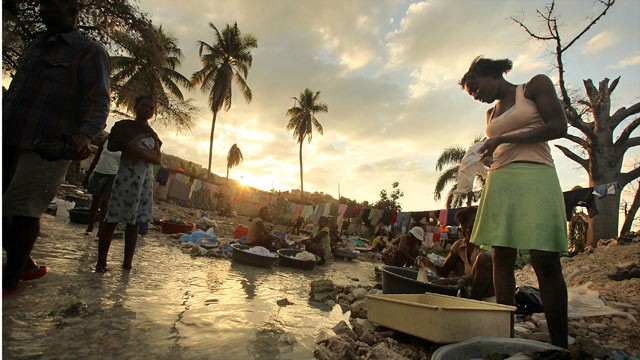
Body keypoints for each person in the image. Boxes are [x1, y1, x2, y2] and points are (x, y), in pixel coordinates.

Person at [459, 56, 568, 348]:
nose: (477, 96)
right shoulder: (490, 115)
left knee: (545, 259)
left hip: (535, 175)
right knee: (501, 256)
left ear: (491, 74)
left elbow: (559, 126)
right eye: (472, 95)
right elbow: (498, 145)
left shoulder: (533, 87)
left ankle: (560, 345)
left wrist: (506, 139)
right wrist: (489, 154)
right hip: (500, 180)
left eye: (476, 87)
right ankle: (505, 337)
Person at [2, 0, 110, 292]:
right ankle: (22, 263)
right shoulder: (35, 46)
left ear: (73, 12)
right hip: (9, 136)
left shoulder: (89, 52)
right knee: (6, 212)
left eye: (53, 5)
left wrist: (82, 138)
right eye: (43, 5)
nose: (44, 10)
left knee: (21, 210)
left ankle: (10, 286)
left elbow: (99, 102)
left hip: (46, 146)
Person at [95, 95, 162, 272]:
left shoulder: (152, 134)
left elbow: (157, 159)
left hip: (143, 183)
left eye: (151, 108)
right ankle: (101, 263)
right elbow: (113, 146)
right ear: (135, 106)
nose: (147, 110)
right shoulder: (124, 127)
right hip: (125, 179)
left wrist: (136, 150)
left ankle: (127, 265)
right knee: (112, 219)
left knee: (134, 223)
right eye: (144, 106)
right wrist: (142, 152)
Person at [417, 207, 494, 300]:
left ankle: (472, 303)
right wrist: (428, 264)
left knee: (483, 259)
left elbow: (477, 276)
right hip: (468, 291)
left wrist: (452, 281)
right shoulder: (459, 246)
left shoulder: (489, 246)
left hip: (488, 296)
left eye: (470, 228)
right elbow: (443, 271)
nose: (467, 233)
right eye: (464, 229)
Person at [82, 138, 122, 236]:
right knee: (95, 202)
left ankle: (101, 230)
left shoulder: (124, 146)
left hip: (113, 175)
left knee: (105, 203)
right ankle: (90, 226)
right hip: (99, 173)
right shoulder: (105, 142)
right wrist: (87, 176)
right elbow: (96, 159)